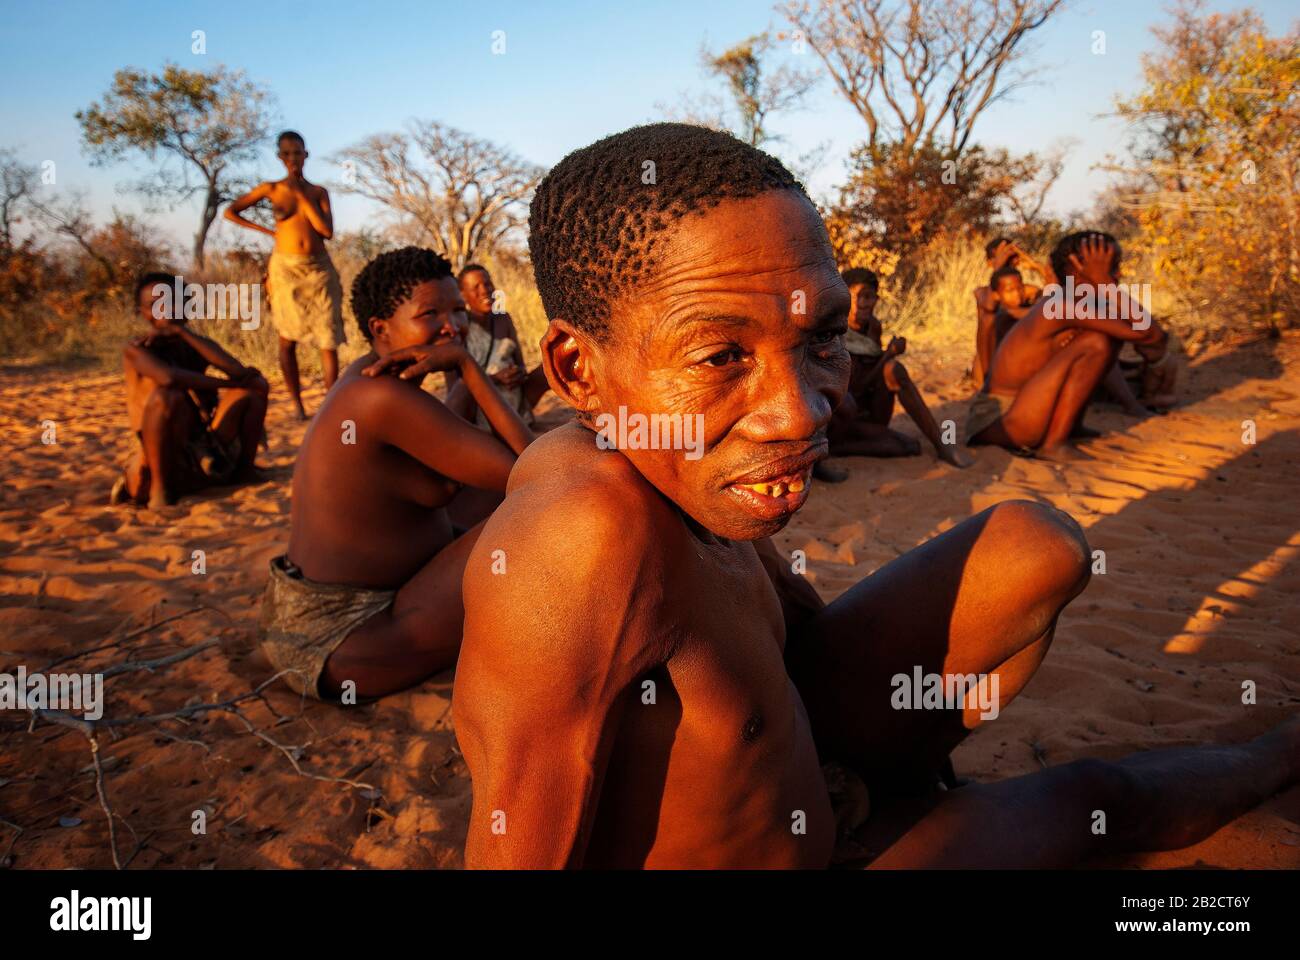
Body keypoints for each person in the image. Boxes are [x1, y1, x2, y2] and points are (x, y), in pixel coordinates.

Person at [451, 124, 1299, 869]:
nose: (803, 410)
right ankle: (1281, 752)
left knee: (1033, 547)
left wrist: (864, 759)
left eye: (820, 339)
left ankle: (891, 791)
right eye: (720, 357)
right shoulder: (580, 530)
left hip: (817, 792)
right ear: (576, 371)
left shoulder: (679, 463)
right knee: (1086, 798)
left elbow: (794, 631)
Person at [257, 247, 534, 701]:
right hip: (344, 639)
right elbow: (535, 473)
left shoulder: (367, 378)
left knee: (490, 502)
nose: (453, 326)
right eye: (431, 313)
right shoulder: (381, 398)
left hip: (307, 621)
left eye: (458, 311)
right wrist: (467, 366)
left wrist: (462, 379)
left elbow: (442, 474)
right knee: (544, 513)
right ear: (379, 328)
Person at [966, 232, 1167, 461]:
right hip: (999, 418)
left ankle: (1069, 426)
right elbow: (1149, 334)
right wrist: (1105, 283)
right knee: (1096, 342)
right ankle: (1053, 444)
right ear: (1078, 270)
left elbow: (1153, 337)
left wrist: (1104, 283)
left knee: (1108, 335)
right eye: (1111, 268)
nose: (1118, 275)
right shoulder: (1060, 305)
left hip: (1027, 409)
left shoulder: (1083, 304)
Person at [113, 271, 268, 508]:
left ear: (187, 306)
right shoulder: (136, 349)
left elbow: (238, 372)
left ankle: (244, 471)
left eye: (171, 302)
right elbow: (168, 378)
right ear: (142, 313)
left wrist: (182, 332)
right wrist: (227, 384)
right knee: (167, 397)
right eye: (155, 305)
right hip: (157, 459)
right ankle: (160, 491)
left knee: (255, 389)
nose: (165, 310)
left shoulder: (194, 343)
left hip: (202, 448)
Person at [224, 130, 344, 419]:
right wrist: (268, 231)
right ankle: (298, 407)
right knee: (287, 338)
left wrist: (302, 198)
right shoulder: (270, 189)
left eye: (298, 153)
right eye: (287, 153)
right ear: (280, 157)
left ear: (306, 155)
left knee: (327, 338)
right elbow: (231, 212)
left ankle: (330, 407)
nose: (293, 158)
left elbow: (326, 232)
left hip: (319, 267)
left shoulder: (318, 192)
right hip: (285, 267)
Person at [826, 268, 970, 469]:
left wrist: (888, 358)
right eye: (853, 297)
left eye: (867, 297)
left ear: (876, 299)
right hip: (843, 419)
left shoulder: (873, 327)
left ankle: (942, 443)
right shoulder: (834, 331)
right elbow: (851, 392)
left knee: (894, 370)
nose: (860, 305)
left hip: (870, 414)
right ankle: (835, 448)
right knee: (907, 446)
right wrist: (888, 355)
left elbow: (872, 371)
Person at [971, 238, 1050, 386]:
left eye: (1012, 257)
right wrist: (998, 266)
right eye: (1003, 257)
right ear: (990, 262)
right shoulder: (983, 293)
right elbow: (988, 306)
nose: (1010, 262)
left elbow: (1057, 290)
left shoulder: (1026, 291)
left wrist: (1033, 264)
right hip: (990, 357)